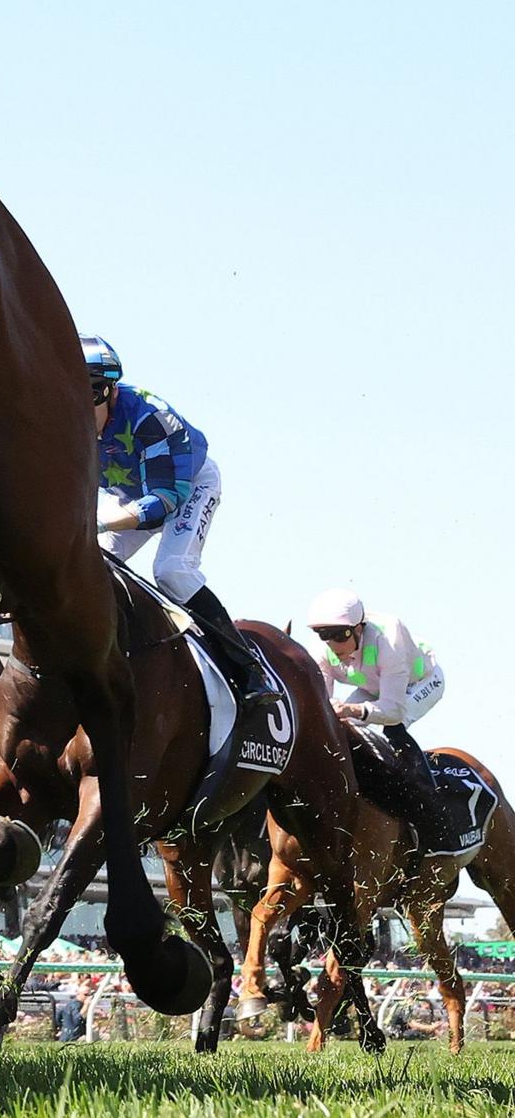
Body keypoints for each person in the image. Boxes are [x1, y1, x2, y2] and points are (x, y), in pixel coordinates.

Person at [81, 336, 276, 714]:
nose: (75, 406)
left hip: (187, 487)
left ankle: (249, 669)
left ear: (109, 390)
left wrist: (98, 525)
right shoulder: (63, 421)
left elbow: (163, 503)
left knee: (172, 570)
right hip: (132, 495)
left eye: (88, 393)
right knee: (92, 562)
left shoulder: (149, 417)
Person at [306, 588, 459, 858]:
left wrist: (353, 708)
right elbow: (321, 708)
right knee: (339, 727)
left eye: (340, 635)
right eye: (324, 635)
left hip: (420, 681)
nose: (334, 644)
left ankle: (431, 810)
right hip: (372, 686)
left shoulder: (389, 641)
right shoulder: (323, 650)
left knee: (393, 730)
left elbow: (393, 710)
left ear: (359, 628)